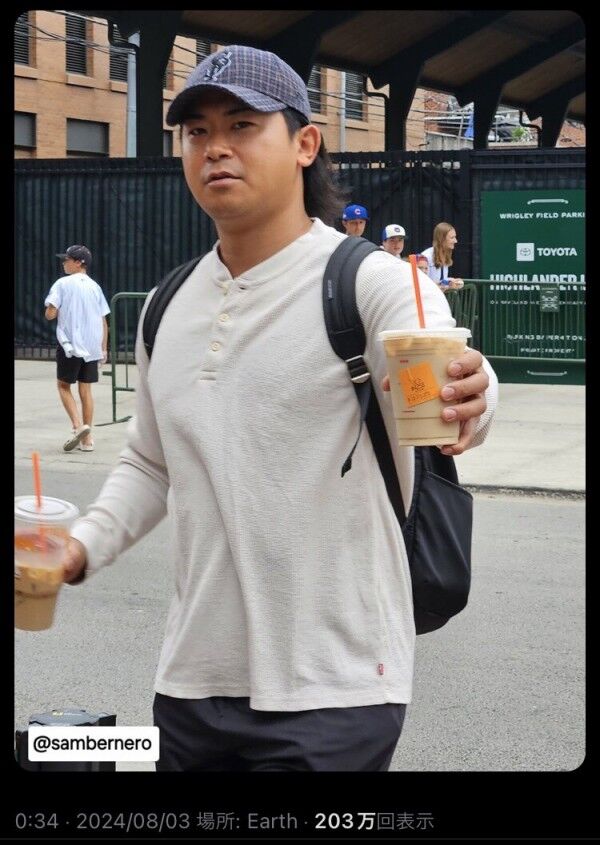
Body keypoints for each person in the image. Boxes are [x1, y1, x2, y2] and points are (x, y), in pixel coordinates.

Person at [62, 45, 497, 772]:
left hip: (337, 685)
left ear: (305, 144)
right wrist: (78, 549)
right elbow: (150, 463)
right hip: (191, 682)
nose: (215, 148)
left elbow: (454, 378)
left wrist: (473, 398)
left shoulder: (371, 281)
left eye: (242, 125)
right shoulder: (166, 306)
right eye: (197, 132)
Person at [44, 245, 110, 452]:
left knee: (63, 386)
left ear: (79, 262)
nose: (64, 263)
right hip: (92, 346)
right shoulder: (95, 287)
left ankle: (77, 425)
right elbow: (103, 320)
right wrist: (104, 348)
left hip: (70, 344)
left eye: (67, 259)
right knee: (86, 389)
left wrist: (52, 309)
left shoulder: (62, 284)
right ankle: (87, 440)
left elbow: (50, 314)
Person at [420, 222, 465, 292]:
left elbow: (440, 281)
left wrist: (450, 281)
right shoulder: (426, 257)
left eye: (455, 237)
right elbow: (422, 283)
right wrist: (446, 285)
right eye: (452, 237)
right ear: (442, 239)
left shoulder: (445, 254)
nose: (455, 241)